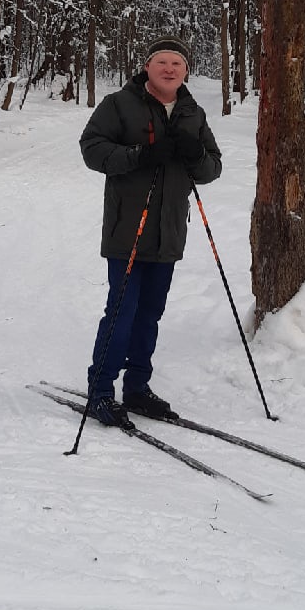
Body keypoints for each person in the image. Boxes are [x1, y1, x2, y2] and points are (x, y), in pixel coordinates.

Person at [79, 34, 223, 428]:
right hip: (129, 228)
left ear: (186, 71)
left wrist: (195, 155)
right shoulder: (120, 104)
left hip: (169, 232)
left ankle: (138, 388)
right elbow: (91, 148)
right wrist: (139, 156)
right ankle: (101, 390)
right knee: (121, 313)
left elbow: (212, 168)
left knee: (150, 314)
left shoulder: (192, 112)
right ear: (148, 67)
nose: (169, 69)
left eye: (177, 64)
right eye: (162, 62)